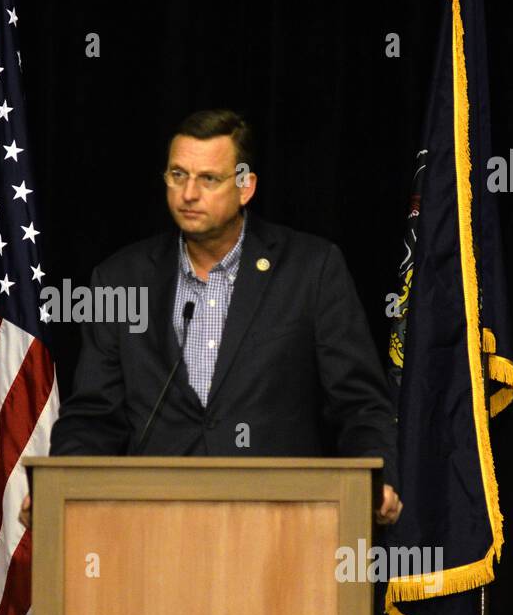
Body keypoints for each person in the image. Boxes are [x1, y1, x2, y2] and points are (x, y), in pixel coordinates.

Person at [22, 109, 402, 526]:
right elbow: (94, 415)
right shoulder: (120, 278)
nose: (188, 193)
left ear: (245, 187)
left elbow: (358, 403)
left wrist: (376, 478)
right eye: (177, 175)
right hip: (151, 524)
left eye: (208, 179)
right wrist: (57, 488)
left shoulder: (311, 269)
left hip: (282, 524)